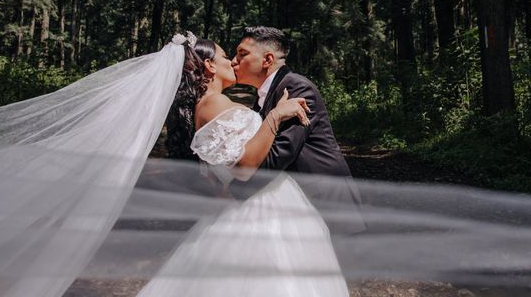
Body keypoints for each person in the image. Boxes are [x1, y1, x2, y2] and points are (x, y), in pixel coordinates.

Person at [134, 32, 350, 296]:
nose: (233, 62)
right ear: (209, 66)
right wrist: (276, 115)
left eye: (239, 55)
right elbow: (247, 166)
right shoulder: (215, 103)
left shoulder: (209, 105)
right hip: (263, 206)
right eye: (227, 56)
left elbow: (226, 161)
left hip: (261, 200)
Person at [232, 26, 361, 207]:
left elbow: (281, 152)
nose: (233, 61)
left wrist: (234, 191)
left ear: (267, 59)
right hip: (294, 200)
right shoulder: (265, 94)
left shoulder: (295, 87)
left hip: (324, 198)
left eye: (242, 54)